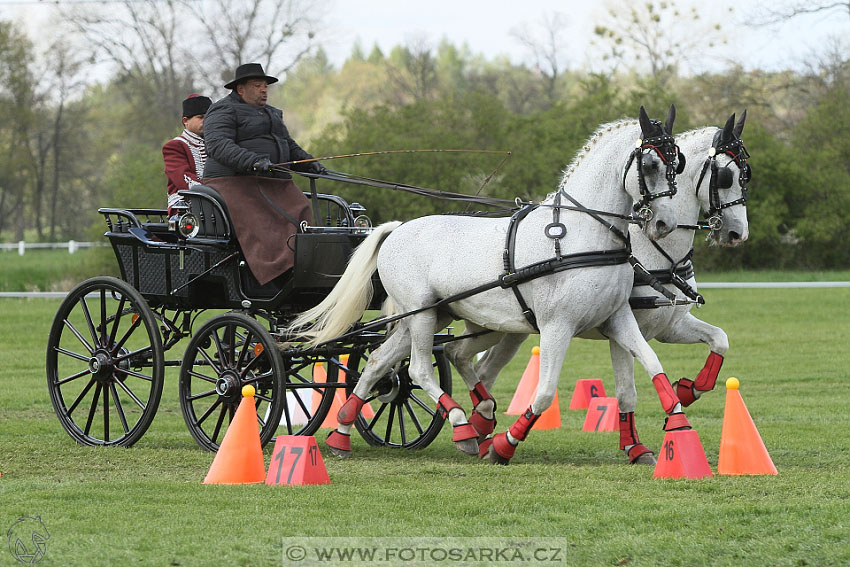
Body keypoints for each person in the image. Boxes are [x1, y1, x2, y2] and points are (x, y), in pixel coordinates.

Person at [203, 62, 327, 285]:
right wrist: (253, 161)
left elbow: (288, 145)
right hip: (233, 182)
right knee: (265, 219)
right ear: (240, 89)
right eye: (258, 85)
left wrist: (309, 163)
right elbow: (218, 145)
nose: (263, 90)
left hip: (274, 181)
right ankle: (277, 274)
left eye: (265, 86)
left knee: (300, 208)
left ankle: (304, 266)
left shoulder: (272, 114)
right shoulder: (223, 110)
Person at [162, 94, 212, 215]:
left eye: (209, 117)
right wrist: (215, 193)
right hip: (186, 208)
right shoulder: (175, 146)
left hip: (215, 205)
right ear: (186, 121)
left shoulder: (216, 144)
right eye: (201, 117)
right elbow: (185, 180)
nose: (206, 121)